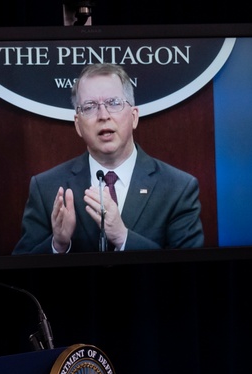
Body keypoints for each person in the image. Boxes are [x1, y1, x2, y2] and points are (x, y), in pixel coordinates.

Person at [13, 62, 204, 254]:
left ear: (134, 116)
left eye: (114, 103)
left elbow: (188, 274)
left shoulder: (178, 188)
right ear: (78, 125)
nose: (103, 115)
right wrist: (58, 245)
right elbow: (20, 272)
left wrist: (123, 237)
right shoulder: (47, 188)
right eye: (89, 107)